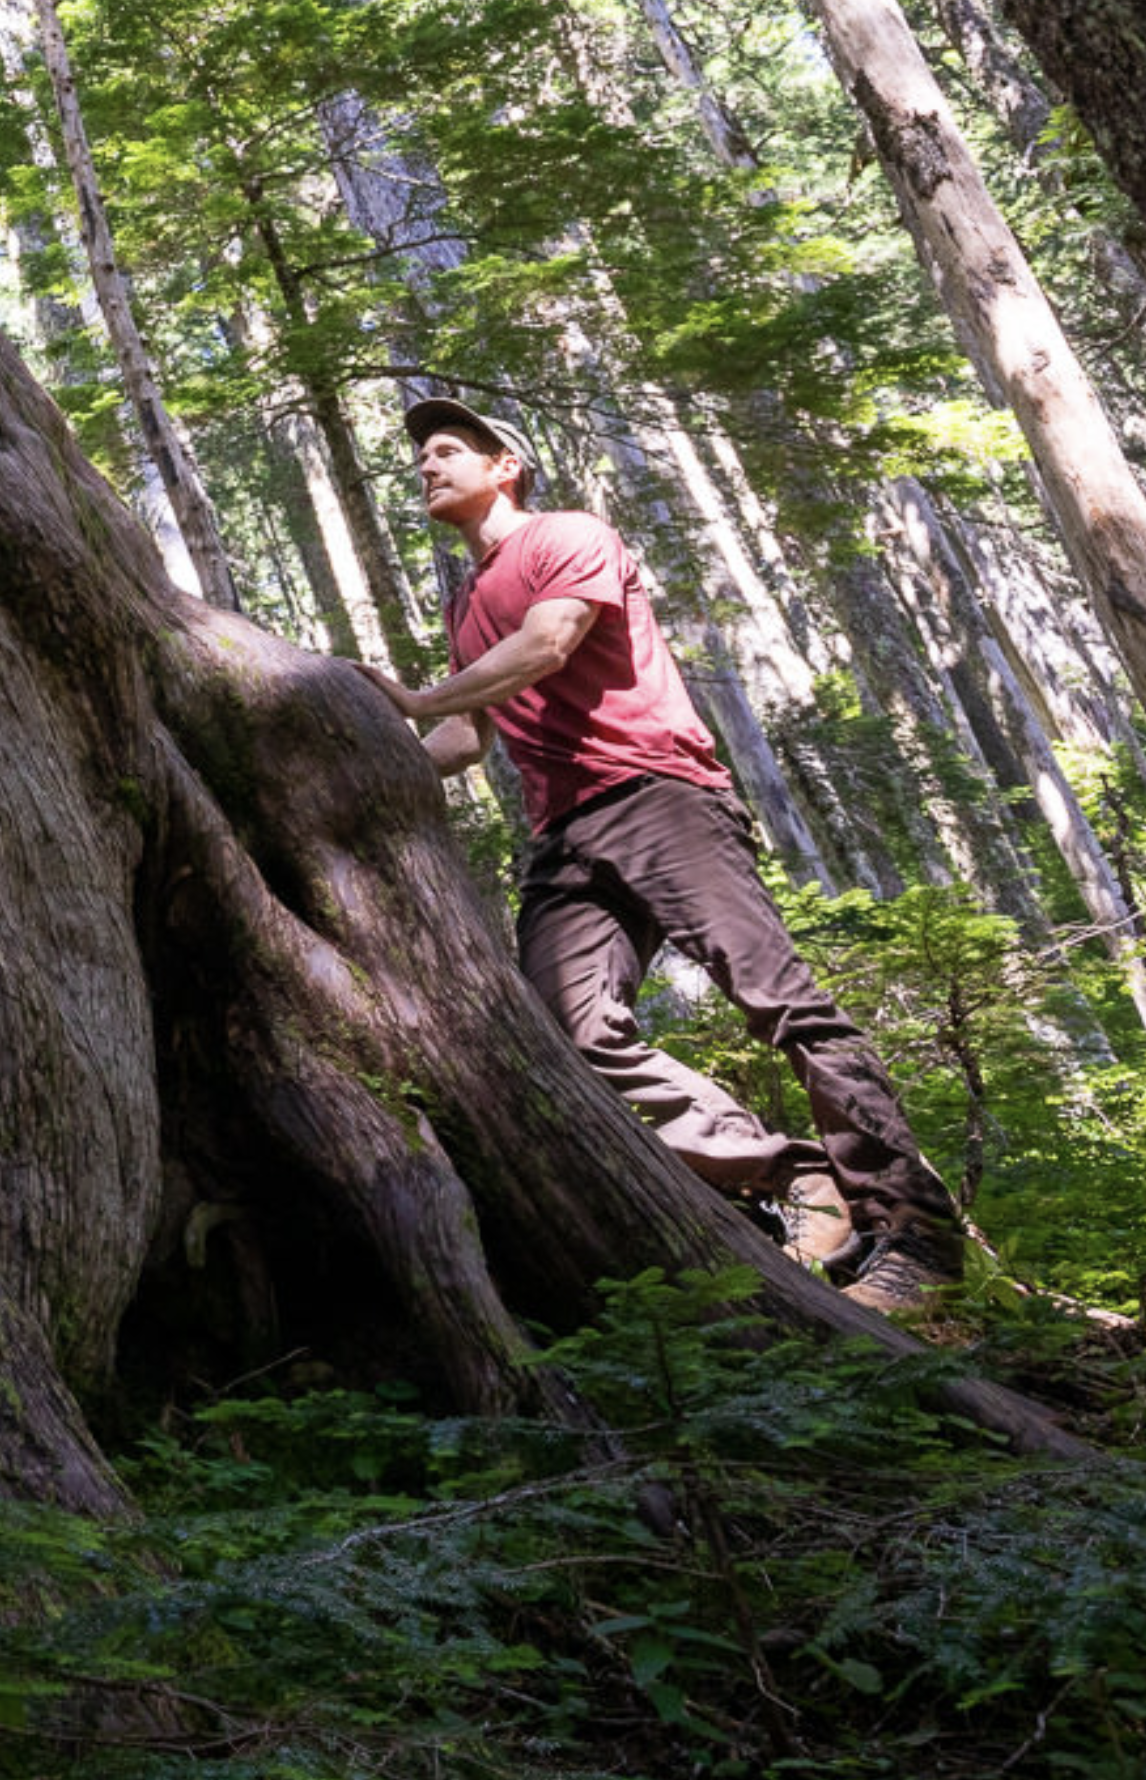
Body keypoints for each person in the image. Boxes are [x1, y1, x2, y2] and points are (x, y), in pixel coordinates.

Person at [363, 396, 962, 1312]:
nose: (428, 467)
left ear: (505, 467)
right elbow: (466, 740)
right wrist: (360, 759)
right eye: (422, 458)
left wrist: (414, 698)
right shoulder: (463, 601)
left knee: (781, 1003)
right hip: (561, 836)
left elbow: (548, 645)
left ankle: (916, 1234)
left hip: (659, 796)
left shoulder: (566, 536)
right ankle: (791, 1176)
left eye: (449, 451)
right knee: (567, 1037)